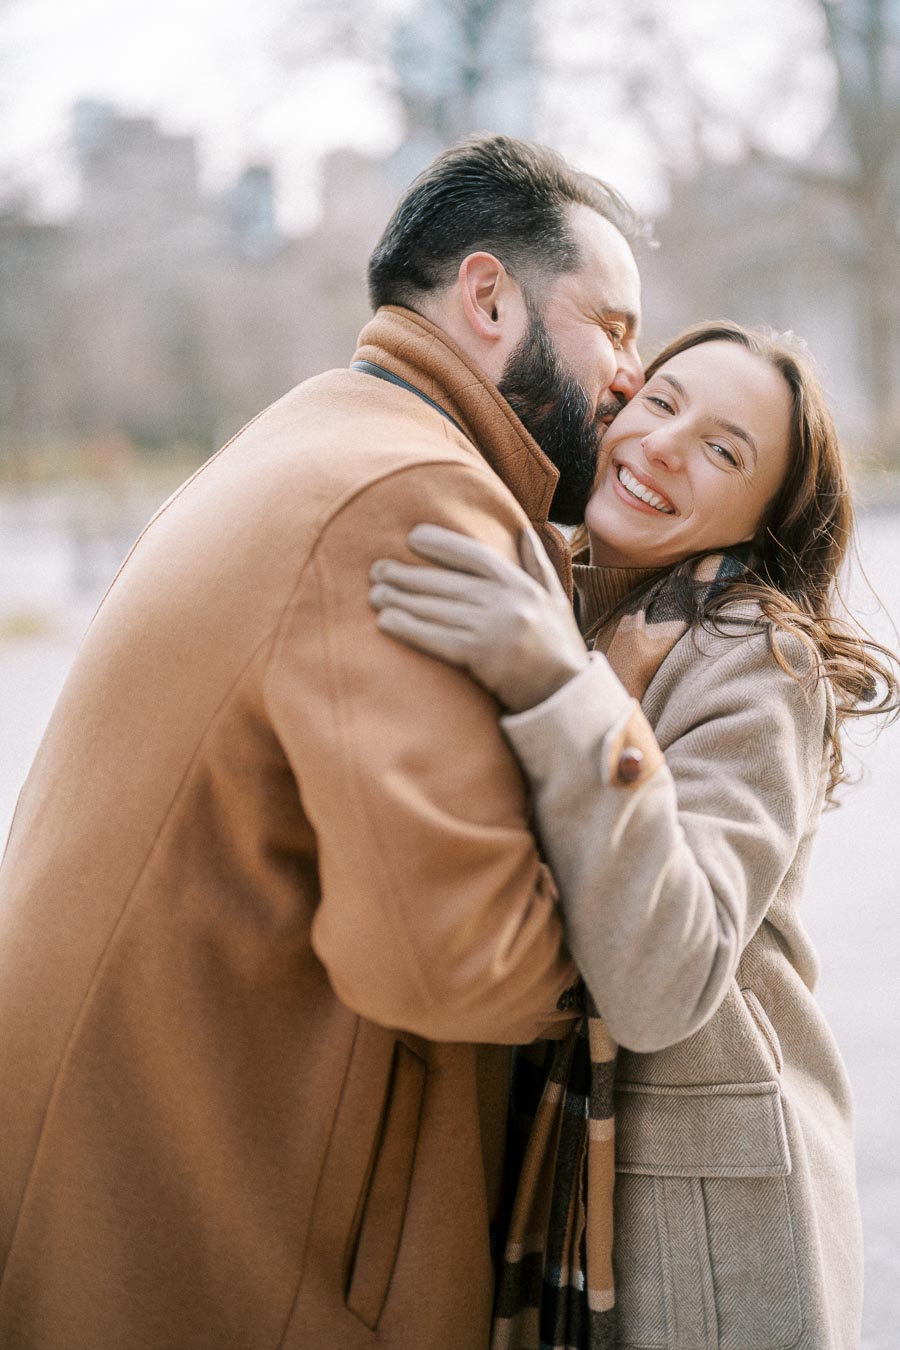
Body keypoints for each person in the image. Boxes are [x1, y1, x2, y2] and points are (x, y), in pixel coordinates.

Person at [0, 136, 658, 1350]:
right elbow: (459, 960)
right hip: (244, 1250)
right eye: (612, 327)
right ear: (489, 295)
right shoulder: (408, 493)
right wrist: (645, 915)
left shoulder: (318, 434)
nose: (632, 374)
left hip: (147, 1185)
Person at [370, 320, 899, 1350]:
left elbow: (663, 985)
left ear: (760, 517)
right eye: (663, 402)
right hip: (546, 1171)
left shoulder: (752, 657)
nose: (665, 444)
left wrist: (561, 692)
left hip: (699, 1228)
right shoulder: (544, 591)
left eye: (724, 450)